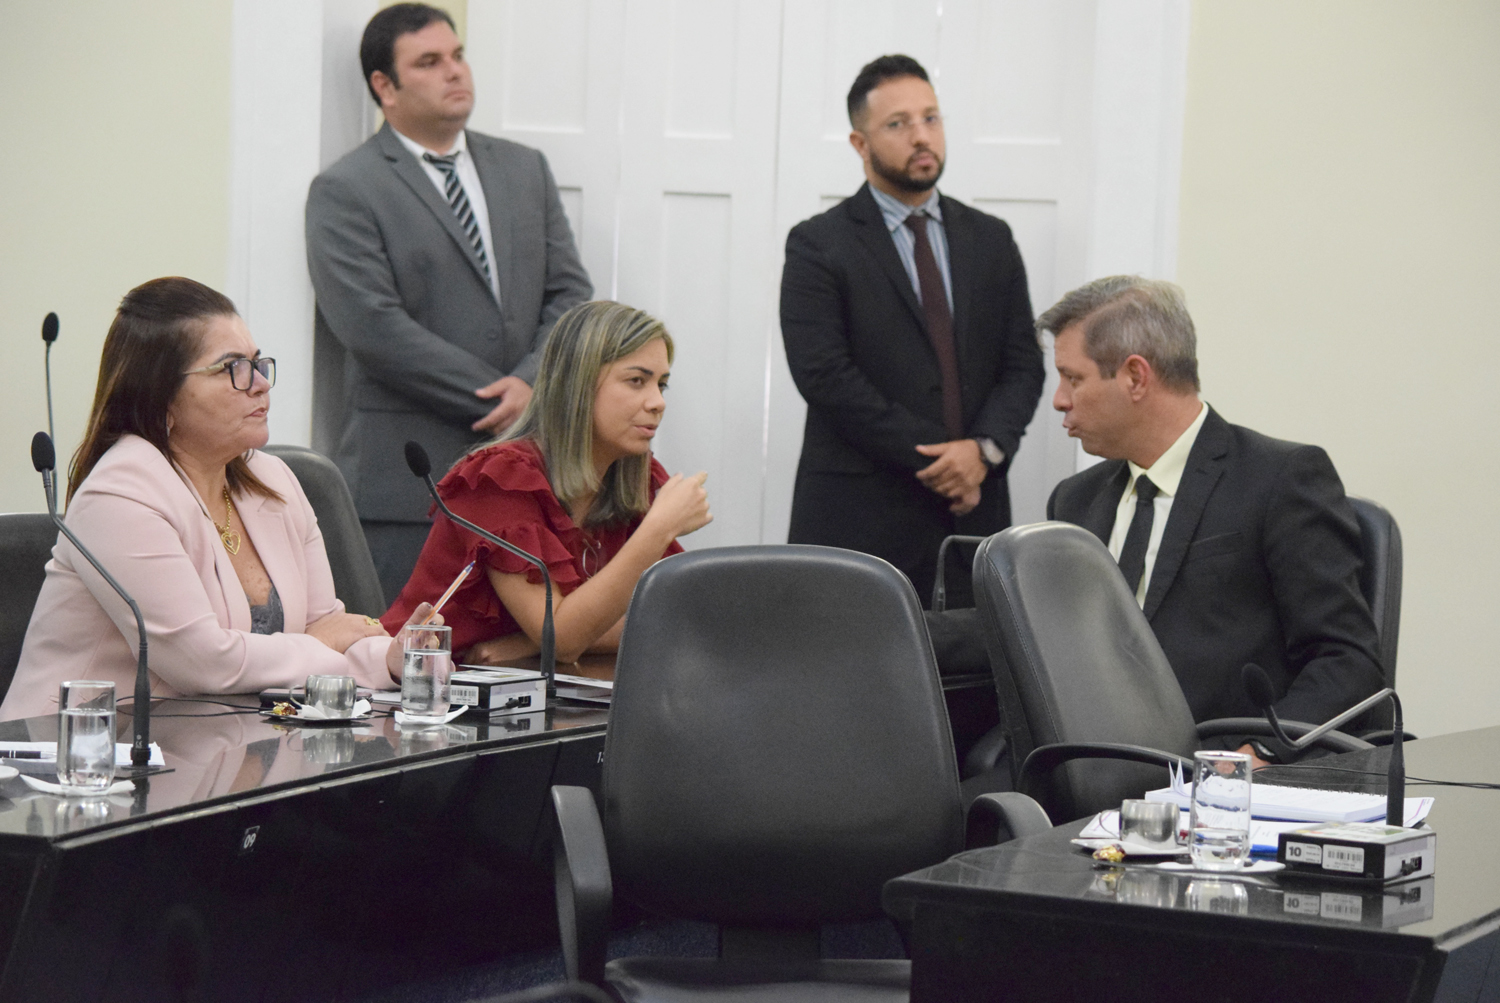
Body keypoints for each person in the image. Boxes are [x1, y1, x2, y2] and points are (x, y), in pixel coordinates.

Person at [0, 278, 430, 721]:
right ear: (162, 395)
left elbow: (329, 628)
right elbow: (201, 663)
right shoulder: (120, 493)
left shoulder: (276, 481)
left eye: (258, 363)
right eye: (233, 368)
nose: (261, 383)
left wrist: (393, 660)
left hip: (216, 743)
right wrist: (322, 644)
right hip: (78, 753)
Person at [306, 3, 592, 605]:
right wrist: (503, 396)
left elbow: (570, 293)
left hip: (527, 477)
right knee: (404, 669)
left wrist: (533, 382)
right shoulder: (347, 189)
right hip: (409, 481)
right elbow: (371, 326)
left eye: (457, 55)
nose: (454, 72)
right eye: (429, 62)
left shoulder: (524, 169)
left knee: (516, 668)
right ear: (384, 85)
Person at [1042, 275, 1383, 766]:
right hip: (1083, 762)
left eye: (1073, 378)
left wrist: (1260, 752)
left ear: (1136, 377)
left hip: (1215, 768)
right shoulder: (1074, 501)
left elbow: (1347, 660)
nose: (1059, 400)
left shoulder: (1279, 479)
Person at [780, 54, 1044, 604]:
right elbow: (823, 374)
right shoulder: (818, 244)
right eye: (898, 124)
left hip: (974, 515)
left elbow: (1023, 365)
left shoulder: (992, 239)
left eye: (931, 118)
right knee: (854, 682)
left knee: (975, 685)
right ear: (860, 144)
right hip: (860, 518)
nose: (921, 136)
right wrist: (941, 461)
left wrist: (982, 452)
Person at [381, 301, 711, 663]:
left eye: (662, 384)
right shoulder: (498, 478)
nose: (658, 402)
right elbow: (565, 638)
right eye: (637, 381)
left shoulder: (633, 476)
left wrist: (532, 643)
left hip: (534, 694)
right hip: (419, 693)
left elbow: (679, 617)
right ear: (578, 385)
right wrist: (658, 529)